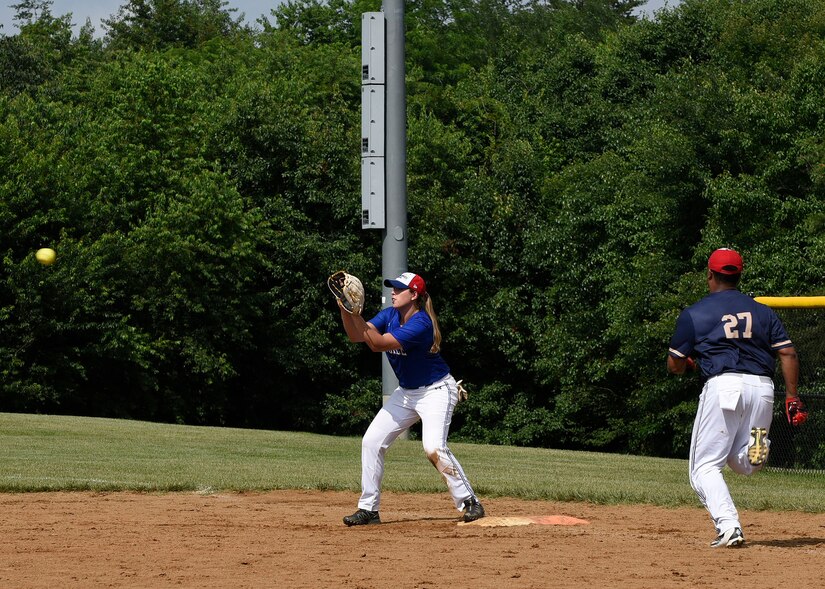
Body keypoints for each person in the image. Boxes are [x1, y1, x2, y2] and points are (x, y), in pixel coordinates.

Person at [667, 248, 801, 548]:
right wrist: (792, 398)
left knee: (704, 468)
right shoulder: (763, 310)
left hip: (724, 387)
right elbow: (788, 352)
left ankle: (728, 526)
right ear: (739, 275)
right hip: (763, 390)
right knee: (744, 464)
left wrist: (689, 364)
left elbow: (674, 364)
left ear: (710, 275)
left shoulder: (695, 313)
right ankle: (759, 444)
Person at [336, 271, 485, 526]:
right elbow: (356, 336)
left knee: (433, 448)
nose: (392, 291)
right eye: (392, 287)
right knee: (371, 441)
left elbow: (378, 344)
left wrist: (357, 314)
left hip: (436, 391)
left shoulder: (421, 323)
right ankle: (369, 509)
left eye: (398, 288)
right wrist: (345, 308)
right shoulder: (391, 314)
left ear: (414, 295)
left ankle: (471, 502)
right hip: (406, 393)